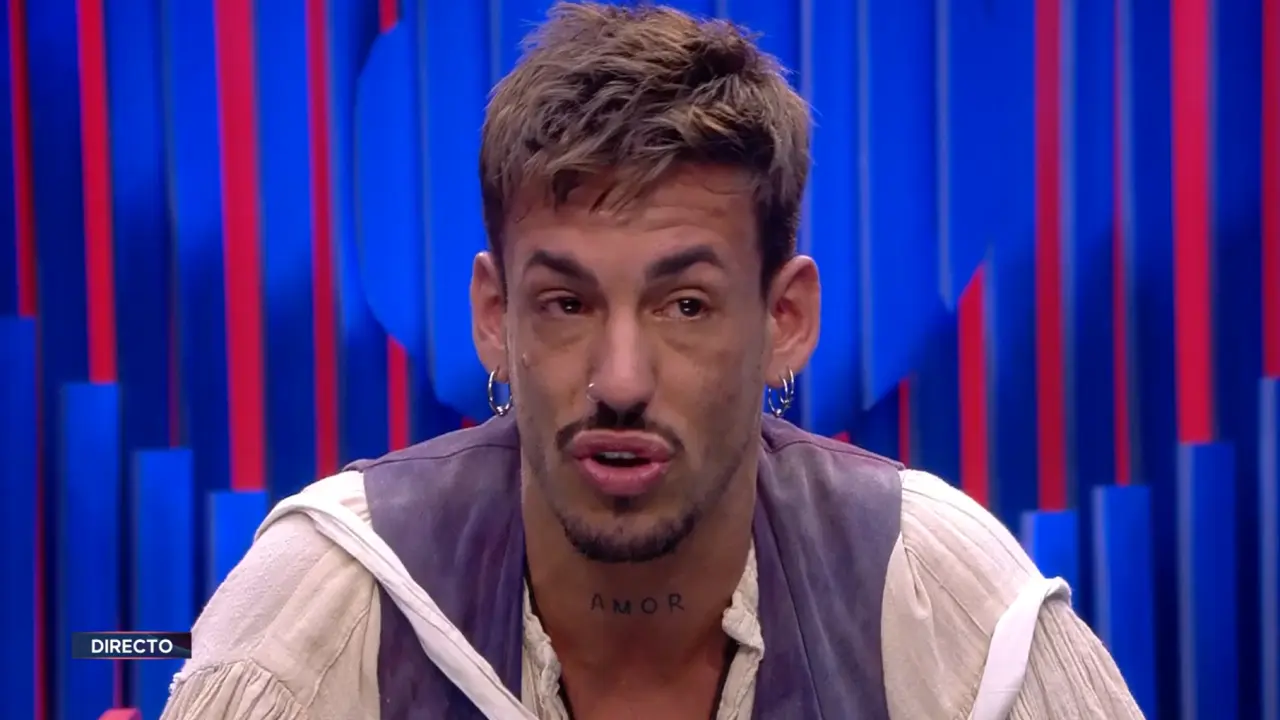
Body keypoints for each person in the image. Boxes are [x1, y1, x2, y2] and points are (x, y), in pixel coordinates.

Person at [162, 3, 1144, 718]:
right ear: (494, 317)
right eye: (566, 303)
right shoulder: (327, 600)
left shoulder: (932, 588)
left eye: (685, 306)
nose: (621, 382)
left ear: (785, 319)